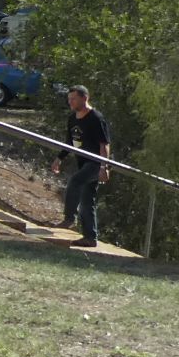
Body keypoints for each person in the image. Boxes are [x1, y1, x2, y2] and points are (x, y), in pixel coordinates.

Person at [51, 85, 112, 248]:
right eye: (69, 99)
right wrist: (59, 158)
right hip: (83, 163)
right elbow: (70, 142)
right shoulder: (72, 118)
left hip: (95, 163)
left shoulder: (96, 118)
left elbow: (104, 144)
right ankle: (90, 237)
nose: (70, 102)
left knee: (75, 182)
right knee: (86, 200)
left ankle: (69, 218)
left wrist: (104, 167)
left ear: (85, 98)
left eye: (74, 99)